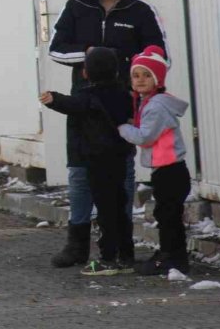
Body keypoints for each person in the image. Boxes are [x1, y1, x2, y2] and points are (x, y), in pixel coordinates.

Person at [47, 0, 166, 267]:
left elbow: (158, 55)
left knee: (121, 174)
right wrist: (92, 54)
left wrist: (124, 68)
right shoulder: (77, 7)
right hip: (81, 103)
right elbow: (56, 49)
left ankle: (120, 243)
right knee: (79, 172)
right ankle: (77, 243)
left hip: (121, 105)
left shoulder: (141, 12)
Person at [39, 47, 135, 275]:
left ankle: (106, 259)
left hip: (97, 162)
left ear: (86, 73)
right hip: (120, 158)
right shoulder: (123, 94)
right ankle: (126, 257)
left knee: (105, 211)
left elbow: (74, 105)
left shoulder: (89, 96)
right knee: (120, 208)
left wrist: (53, 99)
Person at [118, 46, 191, 275]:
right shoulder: (150, 102)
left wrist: (121, 127)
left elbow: (145, 137)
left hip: (171, 171)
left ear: (158, 79)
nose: (140, 80)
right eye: (136, 75)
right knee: (166, 215)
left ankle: (172, 258)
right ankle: (171, 255)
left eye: (147, 75)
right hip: (166, 170)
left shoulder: (157, 106)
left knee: (168, 217)